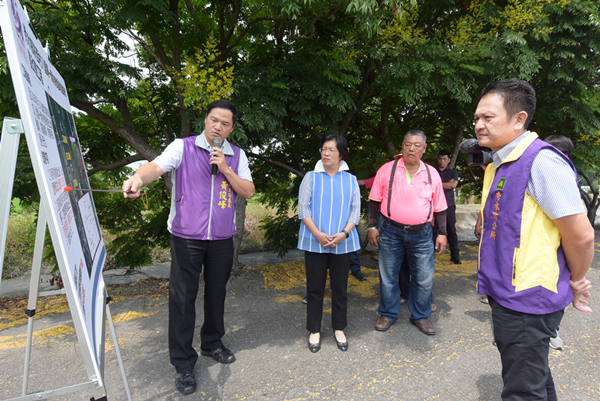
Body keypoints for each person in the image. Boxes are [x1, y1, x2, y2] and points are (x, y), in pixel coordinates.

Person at [122, 99, 254, 395]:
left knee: (216, 294)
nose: (218, 127)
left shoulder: (236, 156)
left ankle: (212, 343)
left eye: (225, 123)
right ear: (205, 120)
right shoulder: (183, 147)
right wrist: (137, 178)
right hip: (186, 238)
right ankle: (183, 363)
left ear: (232, 128)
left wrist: (226, 169)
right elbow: (155, 167)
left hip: (221, 239)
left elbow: (248, 190)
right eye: (213, 120)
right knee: (182, 301)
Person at [474, 79, 594, 400]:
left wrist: (577, 280)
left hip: (528, 301)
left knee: (523, 390)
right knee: (533, 378)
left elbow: (581, 236)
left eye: (488, 117)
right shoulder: (500, 163)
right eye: (476, 118)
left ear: (518, 119)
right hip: (507, 295)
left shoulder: (541, 161)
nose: (479, 125)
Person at [367, 130, 448, 335]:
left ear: (424, 148)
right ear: (402, 146)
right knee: (388, 276)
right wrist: (371, 226)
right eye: (407, 144)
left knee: (423, 277)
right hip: (390, 230)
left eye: (417, 145)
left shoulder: (432, 173)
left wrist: (442, 233)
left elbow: (440, 207)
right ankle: (387, 313)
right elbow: (374, 200)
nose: (411, 148)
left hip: (421, 234)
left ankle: (420, 316)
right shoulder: (387, 170)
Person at [297, 134, 361, 353]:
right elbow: (303, 209)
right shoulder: (311, 177)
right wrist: (317, 234)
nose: (326, 153)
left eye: (331, 150)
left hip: (342, 242)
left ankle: (339, 328)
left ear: (341, 154)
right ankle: (314, 330)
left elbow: (355, 211)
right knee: (314, 288)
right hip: (315, 242)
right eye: (323, 149)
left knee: (340, 288)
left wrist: (344, 233)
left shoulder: (350, 179)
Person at [543, 134, 575, 351]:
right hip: (541, 243)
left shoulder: (566, 177)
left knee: (559, 287)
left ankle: (552, 330)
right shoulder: (539, 173)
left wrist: (579, 275)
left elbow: (579, 232)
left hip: (561, 245)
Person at [434, 149, 461, 264]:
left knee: (451, 230)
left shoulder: (453, 172)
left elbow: (453, 185)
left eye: (444, 159)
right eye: (440, 158)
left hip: (449, 205)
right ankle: (430, 256)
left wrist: (437, 184)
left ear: (449, 160)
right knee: (432, 230)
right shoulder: (433, 172)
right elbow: (428, 185)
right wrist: (446, 184)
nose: (442, 161)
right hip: (434, 205)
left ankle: (455, 256)